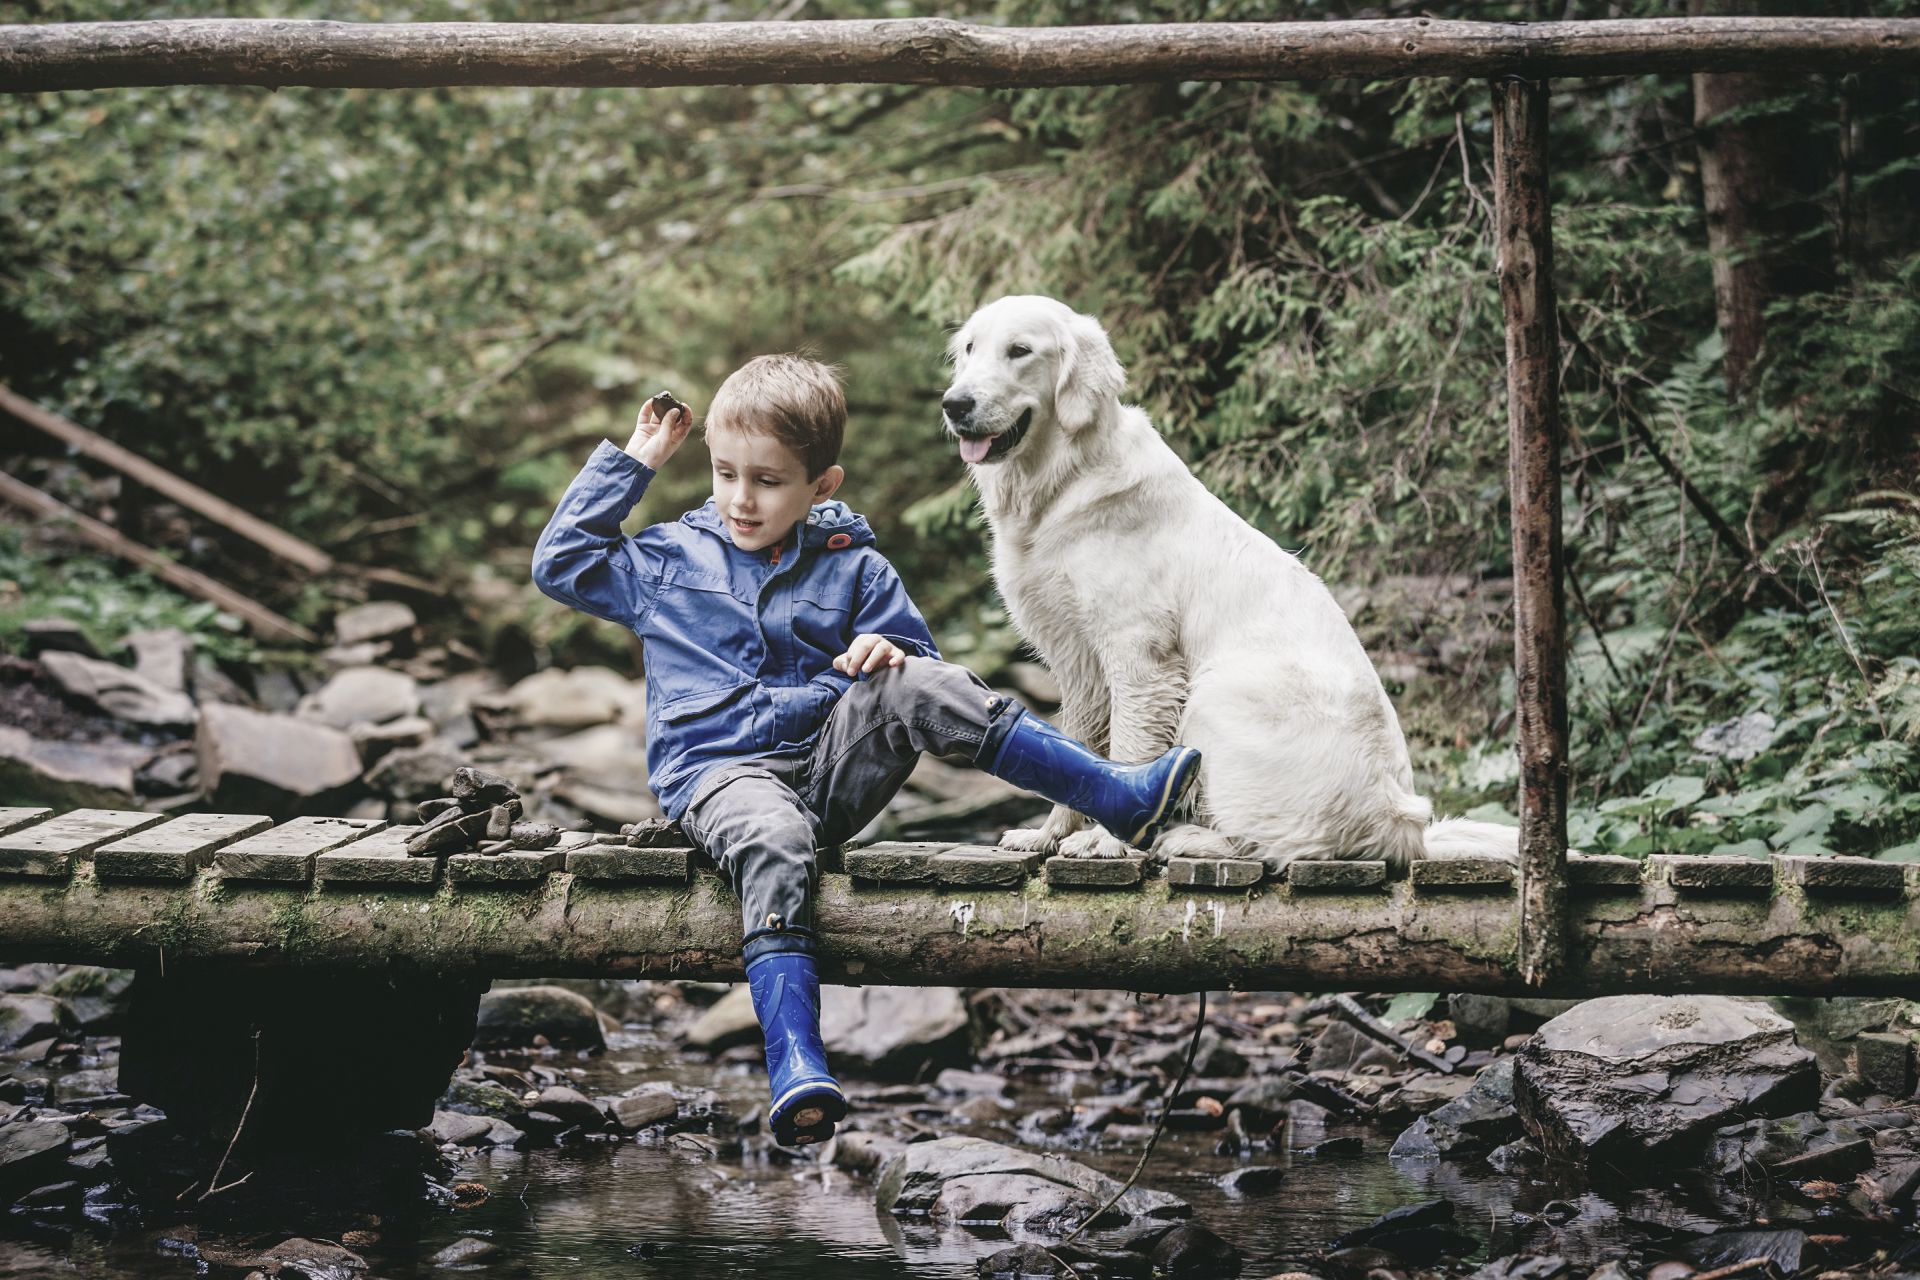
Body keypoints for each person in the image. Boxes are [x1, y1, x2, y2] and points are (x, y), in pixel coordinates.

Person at [531, 354, 1200, 1146]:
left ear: (822, 485)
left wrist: (887, 650)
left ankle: (1117, 796)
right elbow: (562, 565)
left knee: (913, 682)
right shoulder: (669, 561)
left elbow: (930, 678)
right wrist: (636, 463)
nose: (742, 499)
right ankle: (796, 1062)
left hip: (830, 772)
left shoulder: (855, 566)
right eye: (725, 474)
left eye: (769, 481)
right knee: (774, 836)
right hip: (721, 776)